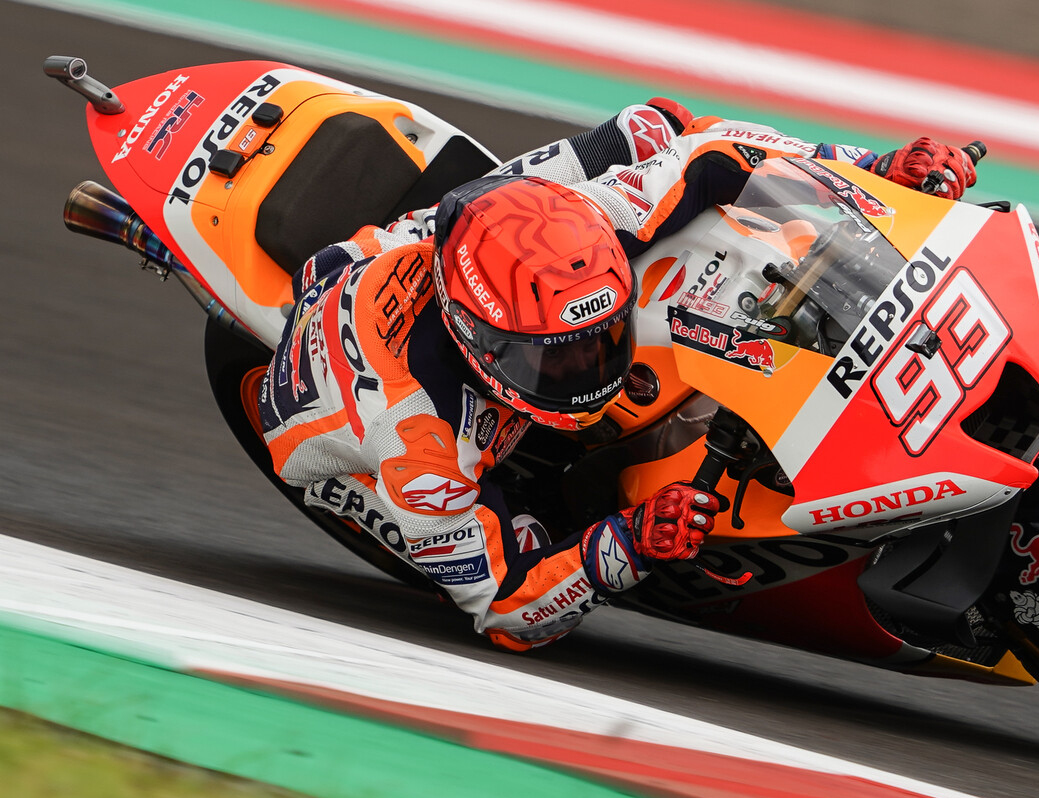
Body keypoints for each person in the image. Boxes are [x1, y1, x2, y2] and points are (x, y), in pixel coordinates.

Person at [258, 98, 979, 651]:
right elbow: (506, 610)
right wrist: (630, 543)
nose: (589, 366)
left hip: (445, 243)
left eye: (599, 338)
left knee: (654, 125)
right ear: (479, 340)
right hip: (336, 419)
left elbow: (712, 151)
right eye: (555, 357)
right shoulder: (419, 449)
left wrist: (871, 169)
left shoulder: (588, 219)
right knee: (536, 535)